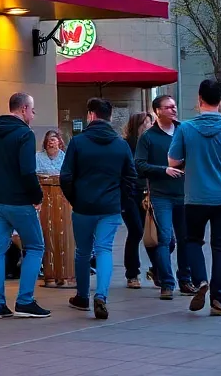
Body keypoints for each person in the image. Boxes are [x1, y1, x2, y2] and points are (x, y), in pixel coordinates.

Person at [0, 92, 49, 319]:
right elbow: (27, 171)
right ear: (24, 109)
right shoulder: (25, 134)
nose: (33, 116)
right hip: (19, 200)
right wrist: (37, 196)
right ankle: (25, 300)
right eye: (32, 111)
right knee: (35, 246)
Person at [168, 78, 221, 316]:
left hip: (195, 197)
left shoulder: (185, 129)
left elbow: (173, 161)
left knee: (192, 241)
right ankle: (218, 299)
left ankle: (200, 280)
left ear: (199, 99)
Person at [60, 98, 136, 320]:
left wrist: (75, 199)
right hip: (110, 206)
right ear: (110, 117)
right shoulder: (121, 145)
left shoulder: (78, 142)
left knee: (83, 252)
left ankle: (82, 296)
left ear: (90, 115)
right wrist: (121, 202)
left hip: (83, 206)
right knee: (104, 250)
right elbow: (131, 178)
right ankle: (101, 295)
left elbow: (66, 176)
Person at [136, 94, 195, 298]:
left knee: (185, 239)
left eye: (174, 106)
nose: (173, 110)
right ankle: (167, 284)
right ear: (158, 111)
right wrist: (164, 170)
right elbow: (140, 165)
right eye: (168, 107)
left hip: (185, 194)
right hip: (161, 196)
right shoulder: (149, 137)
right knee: (165, 239)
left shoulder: (183, 131)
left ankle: (185, 280)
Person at [120, 111, 156, 289]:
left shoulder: (151, 143)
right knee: (136, 231)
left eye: (150, 123)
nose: (149, 126)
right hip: (130, 194)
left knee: (153, 233)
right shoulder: (126, 145)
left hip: (148, 193)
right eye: (146, 123)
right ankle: (132, 274)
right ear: (137, 126)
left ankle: (157, 269)